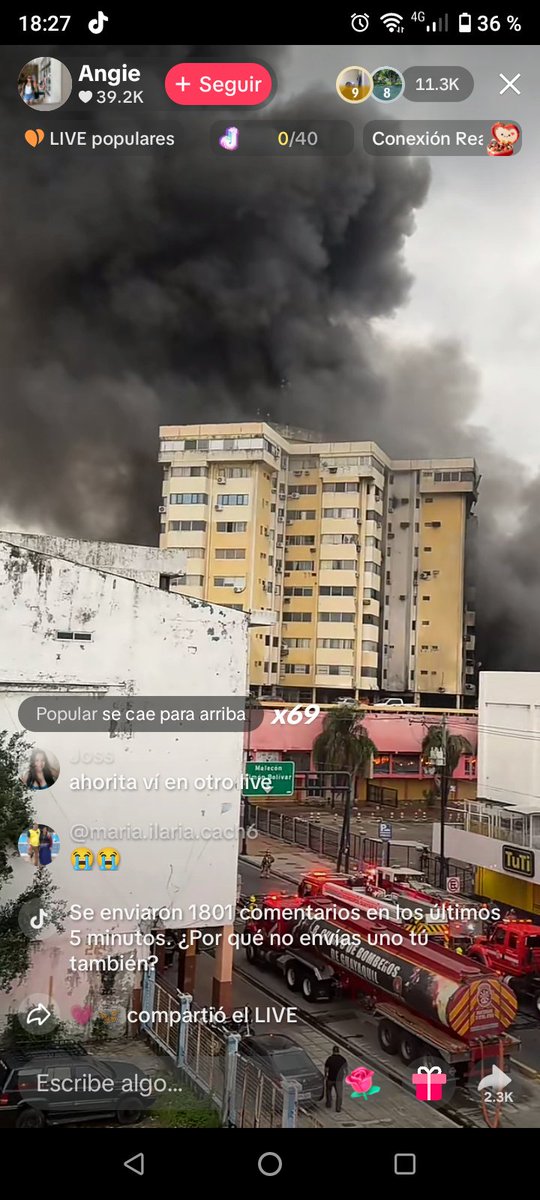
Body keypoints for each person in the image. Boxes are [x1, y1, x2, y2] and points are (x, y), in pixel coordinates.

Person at [324, 1046, 348, 1113]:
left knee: (328, 1091)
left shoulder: (330, 1059)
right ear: (338, 1051)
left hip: (330, 1078)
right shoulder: (343, 1059)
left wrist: (325, 1075)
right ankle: (338, 1108)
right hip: (339, 1080)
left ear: (333, 1051)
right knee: (339, 1094)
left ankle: (329, 1103)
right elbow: (346, 1070)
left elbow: (326, 1069)